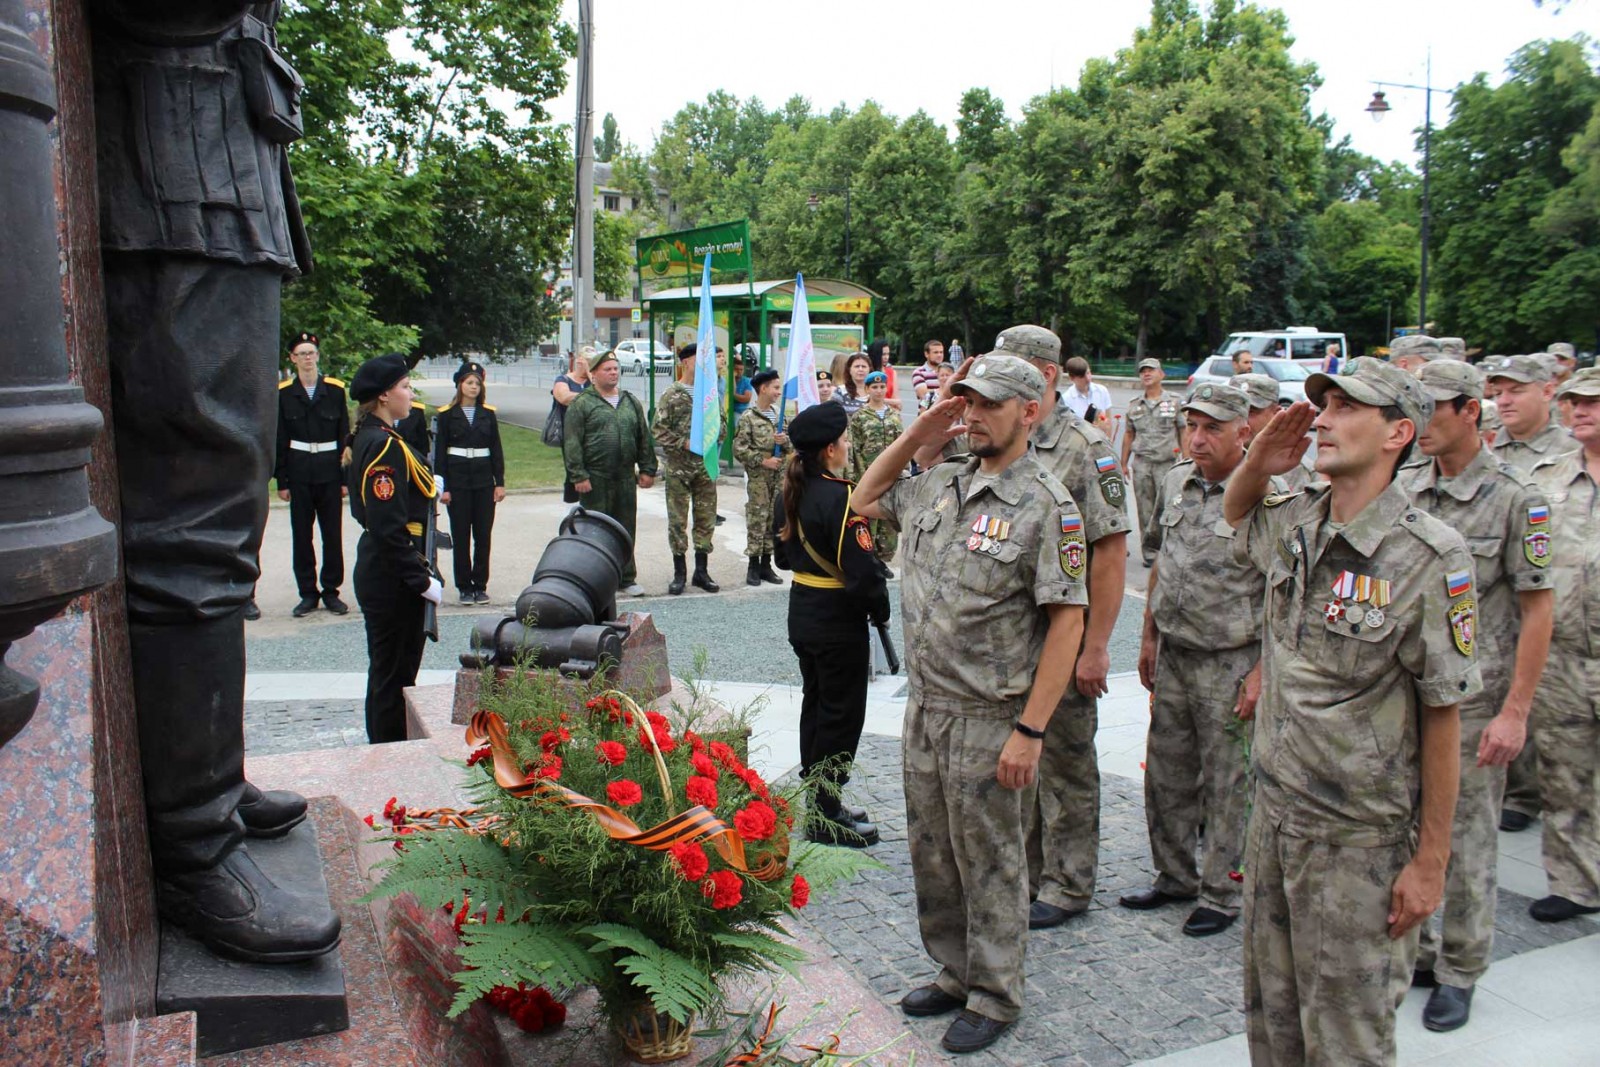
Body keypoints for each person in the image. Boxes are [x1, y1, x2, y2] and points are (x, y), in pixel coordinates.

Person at [93, 0, 334, 963]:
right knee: (194, 514)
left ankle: (209, 781)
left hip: (218, 155)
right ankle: (191, 842)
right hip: (168, 157)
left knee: (223, 508)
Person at [1222, 358, 1480, 1067]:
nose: (1324, 420)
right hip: (1275, 820)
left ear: (1399, 432)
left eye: (1345, 408)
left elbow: (1444, 714)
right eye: (1323, 404)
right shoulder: (1301, 519)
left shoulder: (1430, 555)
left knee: (1346, 1041)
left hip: (1357, 842)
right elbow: (1236, 512)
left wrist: (1430, 861)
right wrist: (1258, 460)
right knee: (1271, 1024)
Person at [851, 353, 1088, 1055]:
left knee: (991, 857)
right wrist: (921, 431)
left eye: (988, 404)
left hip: (992, 714)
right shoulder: (940, 483)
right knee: (934, 852)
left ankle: (995, 990)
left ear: (1029, 412)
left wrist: (1031, 729)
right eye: (966, 402)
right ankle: (954, 971)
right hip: (927, 707)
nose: (974, 415)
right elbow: (865, 497)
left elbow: (1067, 622)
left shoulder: (1048, 504)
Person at [917, 326, 1130, 932]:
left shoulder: (1088, 447)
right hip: (999, 646)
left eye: (1008, 366)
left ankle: (1069, 879)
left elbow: (1109, 554)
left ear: (1048, 375)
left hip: (1058, 634)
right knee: (1011, 773)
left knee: (1064, 759)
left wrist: (1095, 647)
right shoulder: (991, 422)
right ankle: (1025, 874)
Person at [1400, 359, 1555, 1031]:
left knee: (1465, 839)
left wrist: (1516, 711)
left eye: (1432, 408)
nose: (1419, 423)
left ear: (1471, 409)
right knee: (1407, 828)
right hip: (1406, 698)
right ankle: (1422, 950)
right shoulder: (1406, 485)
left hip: (1474, 701)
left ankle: (1461, 967)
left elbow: (1538, 608)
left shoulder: (1517, 497)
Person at [1129, 384, 1269, 938]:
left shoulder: (1266, 496)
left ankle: (1222, 890)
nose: (1198, 437)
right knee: (1166, 772)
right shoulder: (1175, 481)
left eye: (1212, 427)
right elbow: (1162, 560)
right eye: (1193, 425)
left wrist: (1262, 671)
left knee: (1228, 780)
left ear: (1244, 432)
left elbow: (1284, 590)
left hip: (1231, 658)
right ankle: (1174, 875)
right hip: (1177, 653)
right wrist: (1147, 637)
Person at [771, 402, 888, 848]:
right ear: (830, 449)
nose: (848, 445)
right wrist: (880, 608)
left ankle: (819, 800)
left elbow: (782, 557)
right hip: (838, 618)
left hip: (803, 607)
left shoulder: (790, 490)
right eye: (844, 440)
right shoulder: (843, 496)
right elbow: (862, 571)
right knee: (841, 715)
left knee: (816, 706)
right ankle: (825, 811)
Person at [1488, 353, 1579, 831]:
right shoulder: (1488, 449)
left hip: (1556, 599)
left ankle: (1535, 794)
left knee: (1545, 705)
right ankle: (1514, 788)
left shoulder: (1570, 450)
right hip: (1498, 599)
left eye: (1515, 390)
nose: (1504, 400)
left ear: (1547, 391)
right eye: (1498, 391)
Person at [1526, 367, 1600, 926]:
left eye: (1594, 403)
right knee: (1564, 770)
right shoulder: (1547, 477)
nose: (1581, 411)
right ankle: (1575, 882)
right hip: (1565, 652)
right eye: (1574, 401)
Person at [346, 353, 443, 744]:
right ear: (385, 396)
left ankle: (388, 749)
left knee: (391, 673)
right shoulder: (385, 447)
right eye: (404, 387)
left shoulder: (376, 438)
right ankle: (388, 755)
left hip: (386, 571)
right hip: (392, 577)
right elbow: (387, 527)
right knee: (393, 678)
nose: (410, 393)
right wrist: (419, 578)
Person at [563, 349, 657, 597]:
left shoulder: (630, 402)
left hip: (625, 478)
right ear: (593, 375)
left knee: (625, 529)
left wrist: (648, 468)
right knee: (596, 530)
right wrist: (578, 475)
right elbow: (572, 442)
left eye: (616, 368)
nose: (614, 373)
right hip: (595, 480)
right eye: (607, 369)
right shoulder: (582, 404)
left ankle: (626, 577)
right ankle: (597, 579)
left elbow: (643, 438)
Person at [275, 331, 350, 617]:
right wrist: (282, 479)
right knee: (301, 536)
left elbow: (344, 436)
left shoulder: (334, 390)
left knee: (332, 534)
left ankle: (331, 591)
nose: (308, 358)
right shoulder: (284, 394)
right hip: (299, 470)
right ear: (293, 359)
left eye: (311, 353)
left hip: (329, 471)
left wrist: (345, 479)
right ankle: (308, 593)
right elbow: (281, 438)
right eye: (301, 353)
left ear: (318, 356)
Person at [433, 361, 505, 605]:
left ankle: (480, 584)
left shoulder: (488, 414)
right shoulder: (446, 415)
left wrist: (500, 482)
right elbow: (440, 453)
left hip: (484, 481)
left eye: (477, 383)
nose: (474, 387)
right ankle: (464, 586)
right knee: (461, 535)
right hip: (459, 480)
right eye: (469, 382)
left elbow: (496, 449)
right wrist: (444, 488)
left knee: (483, 535)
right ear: (459, 384)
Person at [652, 343, 721, 595]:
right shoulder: (673, 393)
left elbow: (722, 425)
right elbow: (658, 429)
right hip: (679, 468)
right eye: (698, 360)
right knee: (678, 520)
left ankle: (701, 572)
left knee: (705, 519)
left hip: (704, 467)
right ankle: (679, 572)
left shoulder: (709, 394)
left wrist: (712, 435)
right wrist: (684, 442)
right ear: (686, 362)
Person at [732, 369, 790, 587]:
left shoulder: (780, 416)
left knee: (773, 520)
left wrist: (784, 441)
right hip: (759, 478)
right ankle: (753, 565)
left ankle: (767, 564)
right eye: (775, 387)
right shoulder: (749, 418)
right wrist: (763, 460)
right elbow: (739, 449)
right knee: (758, 517)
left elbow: (792, 446)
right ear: (763, 389)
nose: (778, 392)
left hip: (779, 477)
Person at [1121, 357, 1180, 565]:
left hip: (1167, 463)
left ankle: (1168, 550)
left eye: (1151, 370)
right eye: (1143, 371)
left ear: (1161, 374)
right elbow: (1129, 434)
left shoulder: (1174, 402)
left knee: (1169, 507)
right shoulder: (1134, 405)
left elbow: (1184, 431)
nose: (1146, 374)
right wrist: (1123, 463)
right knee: (1145, 509)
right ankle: (1150, 553)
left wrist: (1190, 461)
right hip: (1142, 463)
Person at [848, 371, 904, 564]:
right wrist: (860, 476)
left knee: (888, 516)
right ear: (867, 389)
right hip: (868, 475)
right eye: (874, 387)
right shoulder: (859, 417)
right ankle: (868, 557)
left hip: (892, 476)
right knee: (869, 517)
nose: (879, 391)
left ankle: (884, 558)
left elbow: (903, 445)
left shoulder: (894, 415)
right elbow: (855, 449)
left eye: (882, 387)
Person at [1233, 372, 1315, 492]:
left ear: (1276, 414)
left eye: (1251, 411)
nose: (1241, 420)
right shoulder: (1210, 459)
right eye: (1234, 410)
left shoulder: (1296, 471)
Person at [552, 347, 592, 502]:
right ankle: (573, 507)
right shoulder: (564, 380)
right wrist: (592, 396)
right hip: (570, 435)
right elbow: (564, 397)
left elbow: (608, 395)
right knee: (573, 473)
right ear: (579, 361)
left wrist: (590, 374)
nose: (590, 365)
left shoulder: (593, 381)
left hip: (593, 435)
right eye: (588, 361)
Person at [1061, 357, 1111, 424]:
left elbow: (1108, 421)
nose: (1088, 379)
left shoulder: (1102, 391)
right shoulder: (1066, 400)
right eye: (1082, 376)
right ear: (1071, 378)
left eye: (1088, 373)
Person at [731, 354, 756, 420]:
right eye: (736, 369)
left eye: (741, 370)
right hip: (732, 411)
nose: (739, 372)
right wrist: (733, 377)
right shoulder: (730, 380)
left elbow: (746, 398)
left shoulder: (746, 381)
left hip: (743, 411)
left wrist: (733, 395)